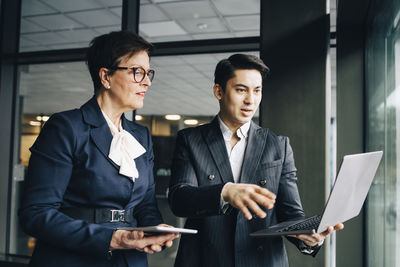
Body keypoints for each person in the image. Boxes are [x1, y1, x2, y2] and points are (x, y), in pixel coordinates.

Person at [19, 31, 179, 267]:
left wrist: (155, 229)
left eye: (148, 73)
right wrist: (112, 238)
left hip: (130, 261)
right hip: (72, 259)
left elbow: (145, 205)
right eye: (137, 72)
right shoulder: (66, 127)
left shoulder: (141, 135)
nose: (147, 81)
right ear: (106, 77)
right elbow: (36, 214)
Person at [168, 54, 344, 267]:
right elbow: (179, 199)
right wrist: (224, 192)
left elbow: (291, 213)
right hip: (205, 259)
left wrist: (307, 237)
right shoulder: (191, 140)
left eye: (257, 90)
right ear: (219, 91)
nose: (251, 100)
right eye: (241, 90)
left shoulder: (278, 145)